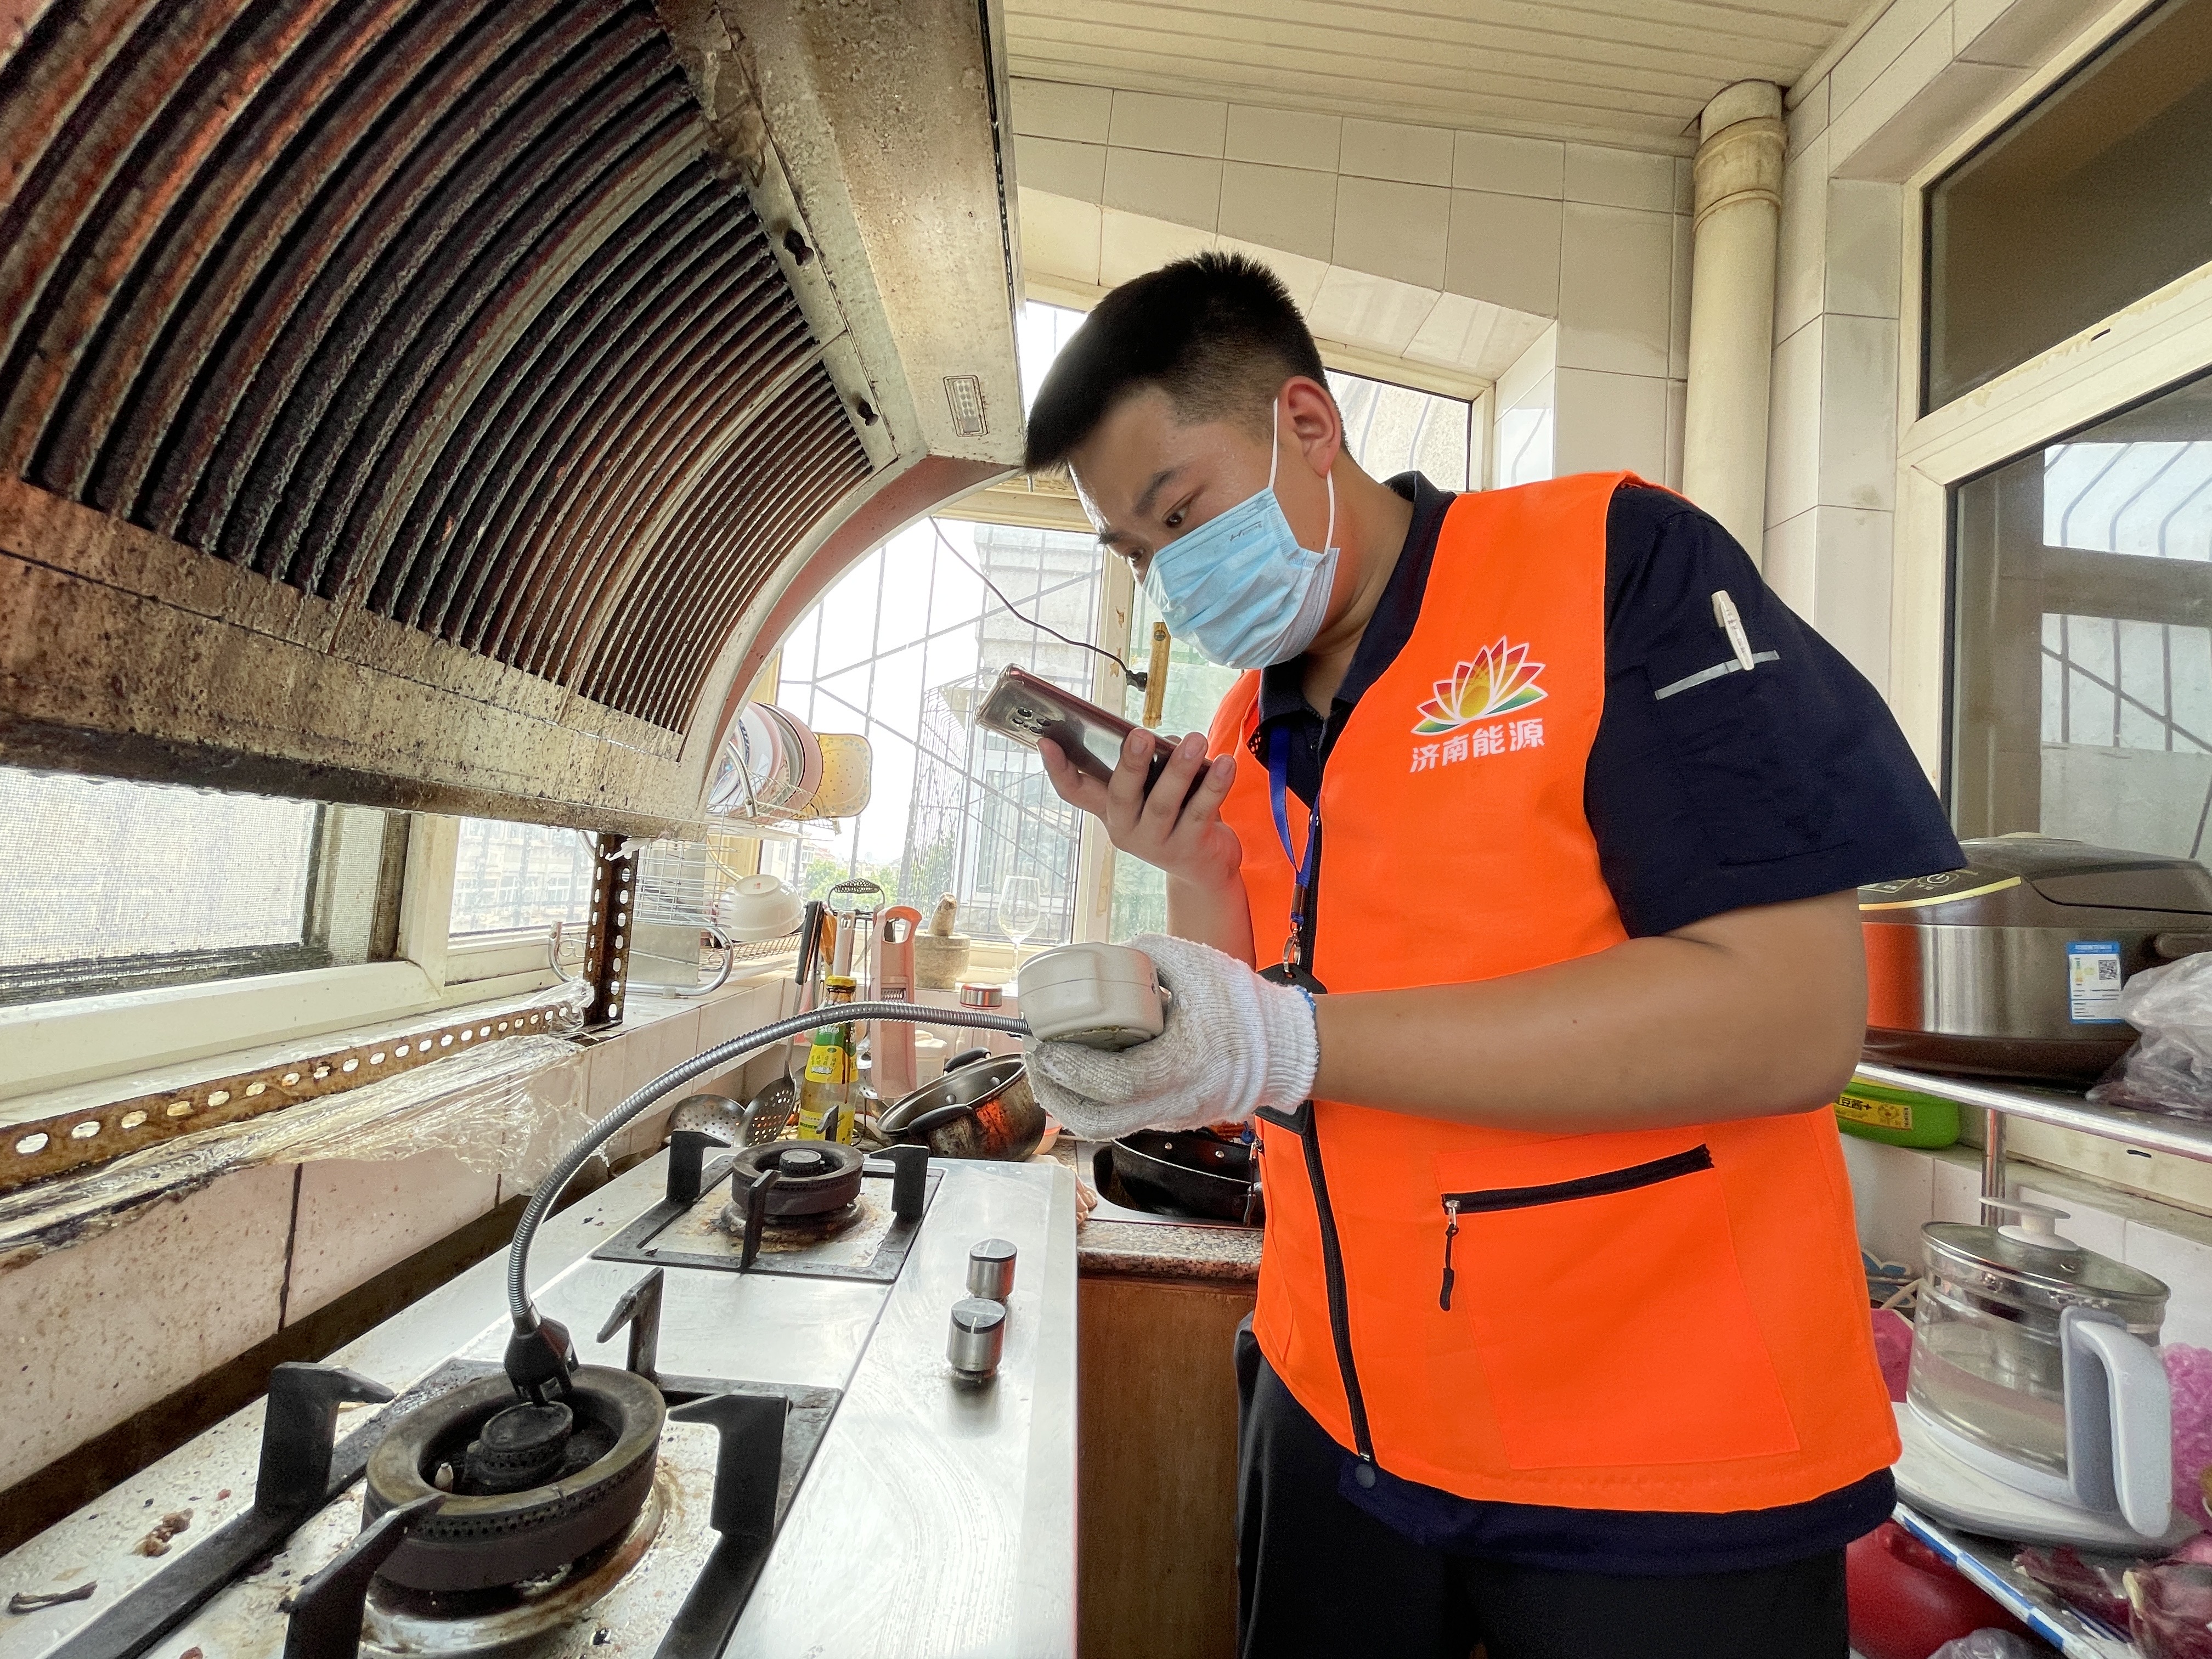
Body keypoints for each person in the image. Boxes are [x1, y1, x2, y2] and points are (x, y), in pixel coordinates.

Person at [1017, 252, 1962, 1659]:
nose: (1172, 574)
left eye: (1181, 512)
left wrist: (1285, 1035)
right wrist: (1196, 885)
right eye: (1137, 554)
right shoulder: (1244, 730)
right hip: (1335, 1421)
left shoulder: (1613, 564)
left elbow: (1790, 1017)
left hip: (1648, 1473)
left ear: (1306, 424)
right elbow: (1261, 1075)